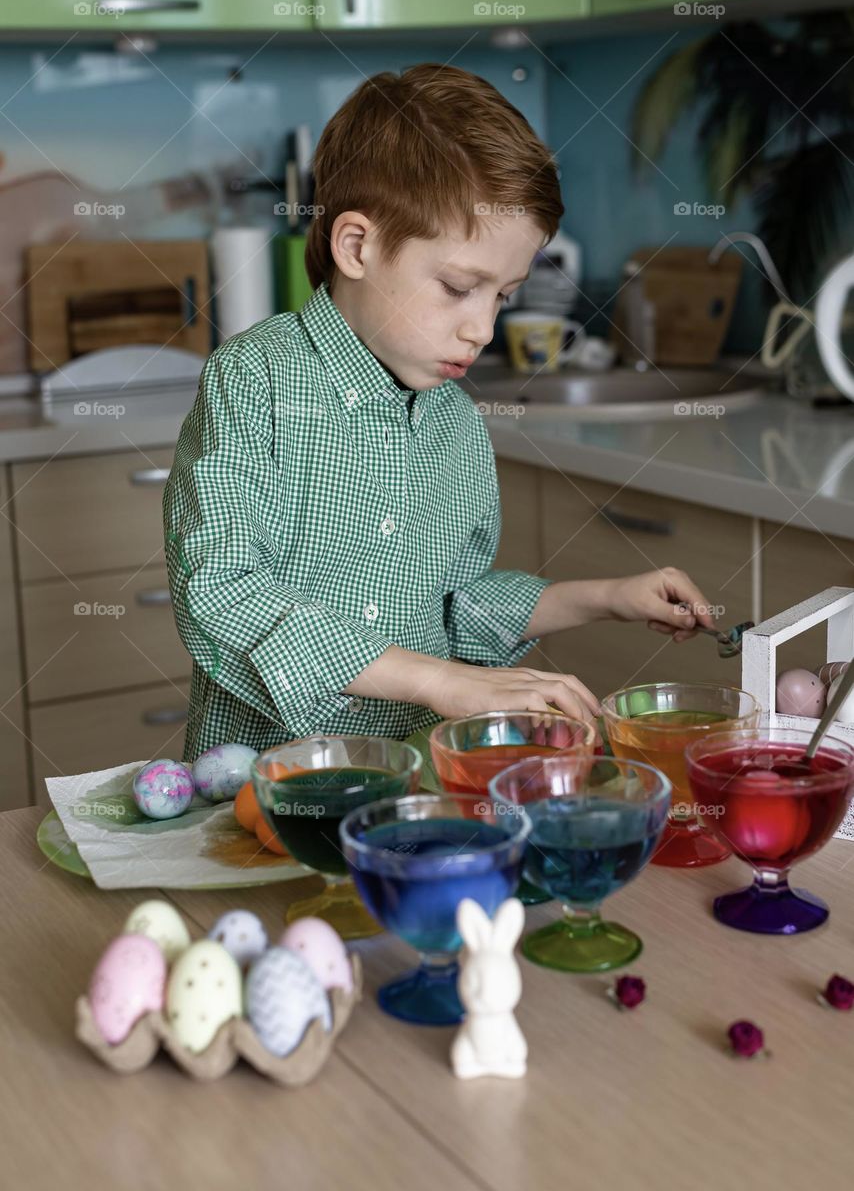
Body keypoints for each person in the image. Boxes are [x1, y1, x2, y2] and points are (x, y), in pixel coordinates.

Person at [163, 63, 716, 760]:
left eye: (503, 297)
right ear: (357, 246)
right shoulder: (254, 383)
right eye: (459, 287)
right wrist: (437, 682)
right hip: (263, 800)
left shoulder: (453, 418)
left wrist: (607, 595)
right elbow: (222, 596)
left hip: (416, 789)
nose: (482, 328)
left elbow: (456, 606)